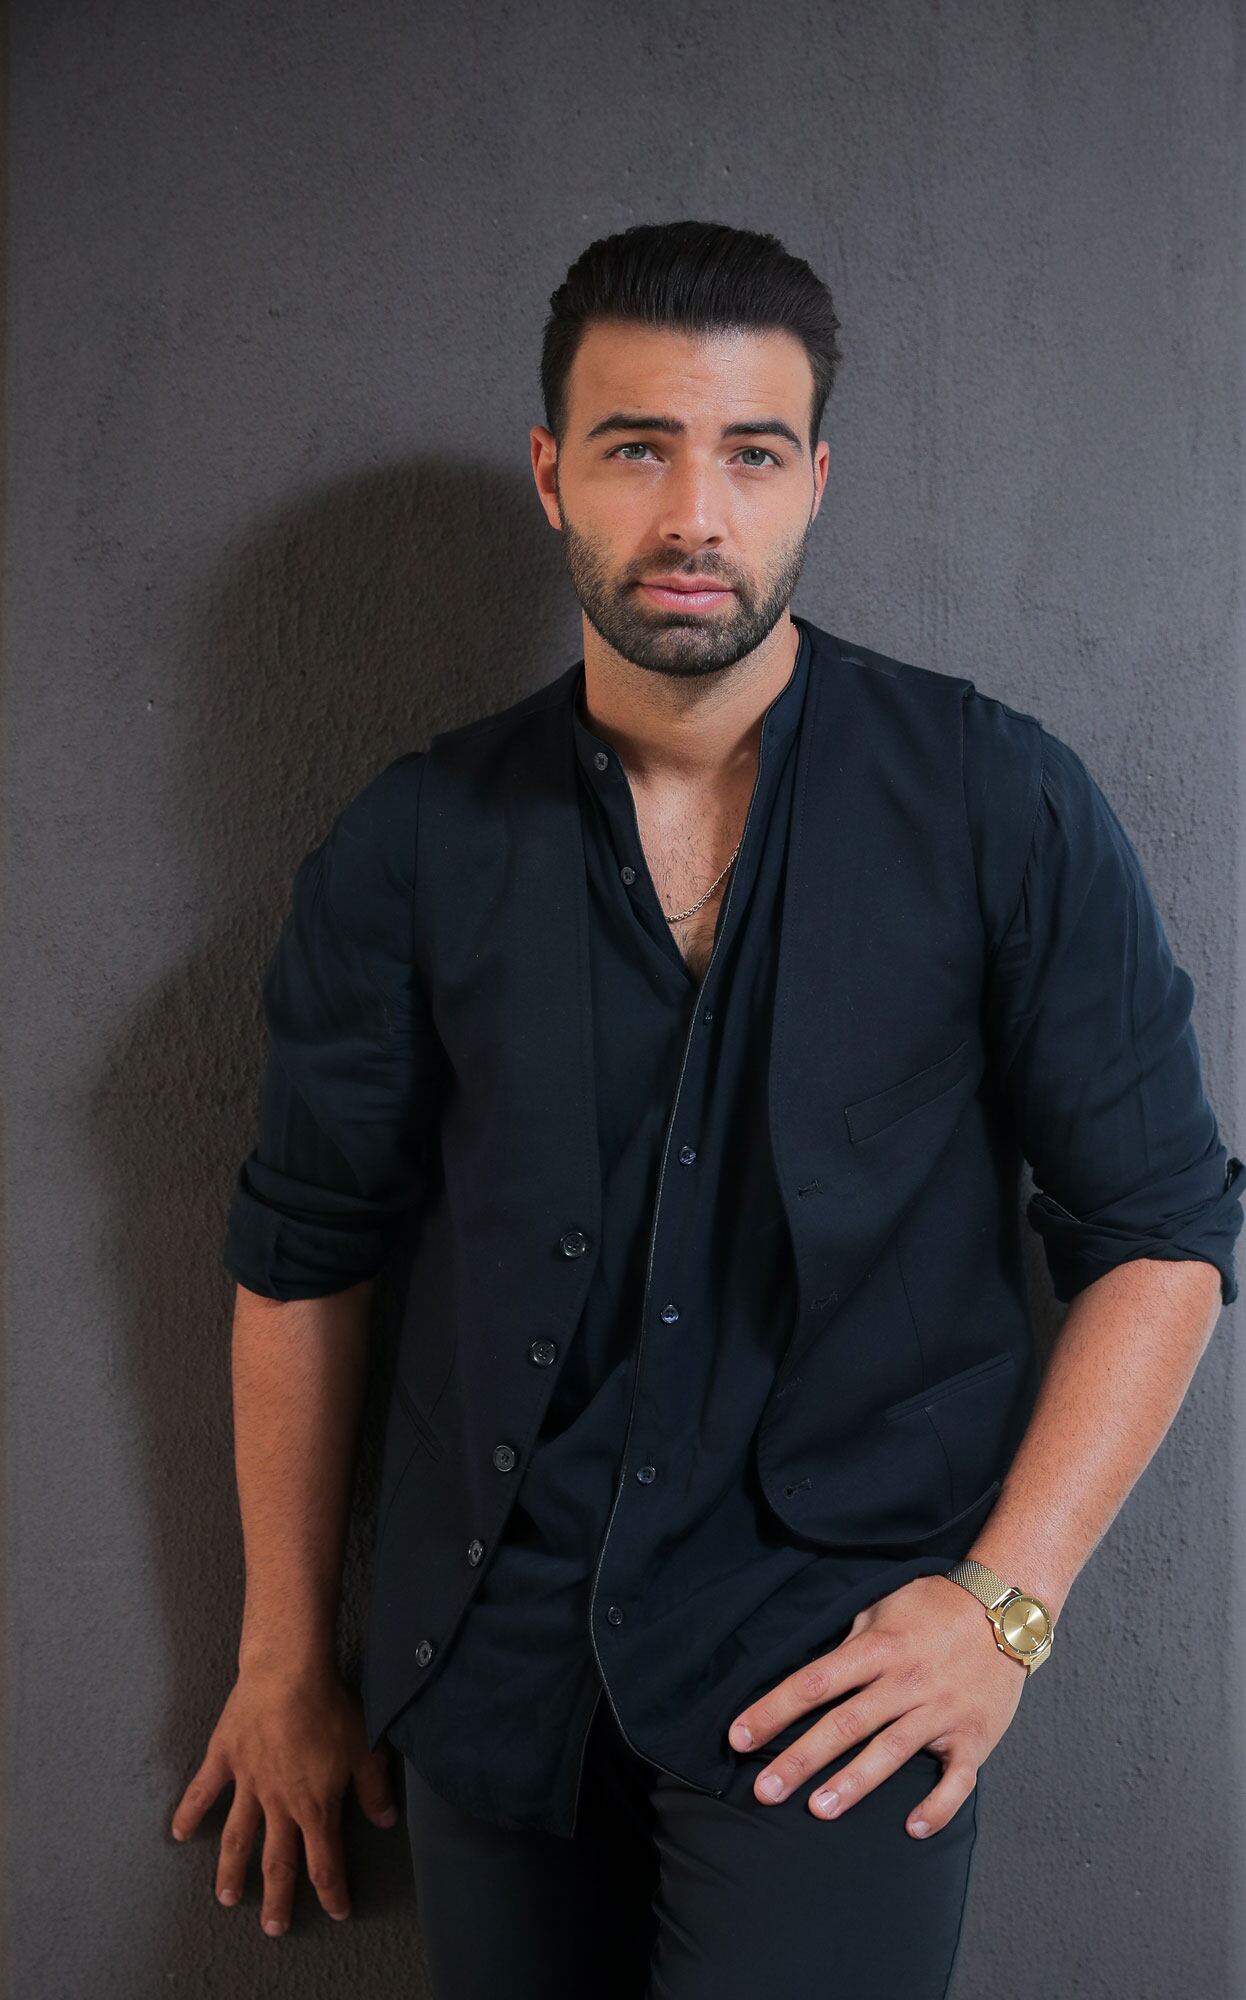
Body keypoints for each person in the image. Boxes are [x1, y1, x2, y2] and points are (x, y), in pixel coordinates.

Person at [170, 220, 1245, 1996]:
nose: (692, 514)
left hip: (832, 1674)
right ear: (551, 476)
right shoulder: (411, 840)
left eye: (749, 454)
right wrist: (283, 1657)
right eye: (635, 448)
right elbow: (302, 1252)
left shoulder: (998, 803)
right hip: (491, 1667)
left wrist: (1005, 1608)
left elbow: (1162, 1232)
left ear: (813, 480)